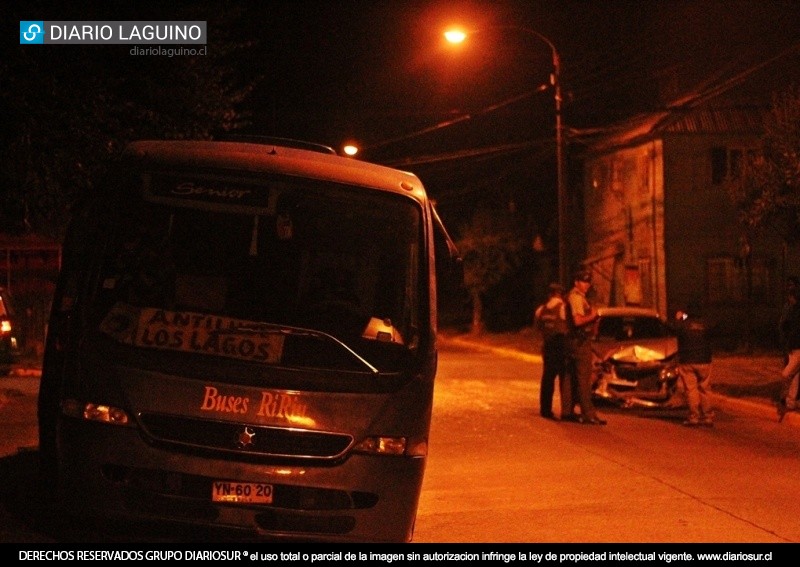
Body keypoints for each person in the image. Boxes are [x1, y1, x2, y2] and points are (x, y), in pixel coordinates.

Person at [564, 269, 606, 425]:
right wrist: (593, 316)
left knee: (570, 378)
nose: (586, 284)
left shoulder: (578, 297)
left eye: (588, 282)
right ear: (576, 282)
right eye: (583, 281)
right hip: (579, 342)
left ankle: (567, 411)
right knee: (584, 378)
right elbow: (577, 321)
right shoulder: (576, 298)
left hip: (574, 341)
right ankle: (588, 414)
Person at [672, 306, 714, 426]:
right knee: (705, 388)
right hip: (704, 360)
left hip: (687, 360)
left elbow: (672, 327)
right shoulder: (705, 323)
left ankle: (694, 417)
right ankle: (708, 417)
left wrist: (679, 317)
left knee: (691, 389)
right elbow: (715, 327)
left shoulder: (683, 323)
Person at [533, 283, 568, 420]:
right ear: (561, 294)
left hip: (547, 346)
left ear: (549, 295)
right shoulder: (563, 308)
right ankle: (566, 410)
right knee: (564, 379)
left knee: (547, 378)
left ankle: (545, 409)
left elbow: (537, 328)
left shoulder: (541, 310)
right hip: (560, 345)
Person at [777, 284, 800, 422]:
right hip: (793, 347)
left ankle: (785, 398)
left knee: (786, 374)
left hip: (797, 347)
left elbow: (787, 326)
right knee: (796, 375)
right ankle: (791, 402)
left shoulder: (795, 311)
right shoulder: (793, 310)